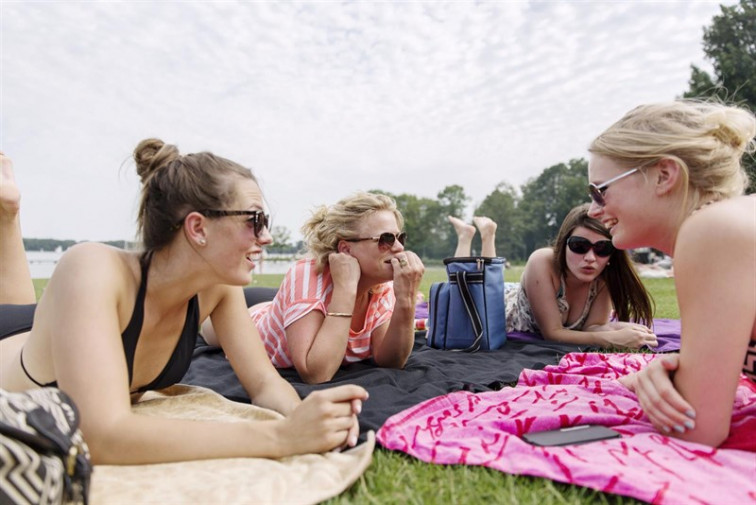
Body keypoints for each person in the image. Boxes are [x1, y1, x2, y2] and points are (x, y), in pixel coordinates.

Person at [0, 143, 367, 465]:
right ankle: (7, 212)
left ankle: (6, 211)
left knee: (28, 309)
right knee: (15, 307)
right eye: (255, 220)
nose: (267, 237)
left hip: (53, 332)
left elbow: (265, 385)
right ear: (197, 228)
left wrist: (304, 418)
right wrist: (281, 438)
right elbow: (102, 436)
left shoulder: (218, 289)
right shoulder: (90, 267)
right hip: (10, 342)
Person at [587, 99, 756, 448]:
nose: (593, 210)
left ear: (664, 175)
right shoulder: (731, 225)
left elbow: (697, 429)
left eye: (600, 191)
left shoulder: (712, 229)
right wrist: (685, 369)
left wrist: (669, 387)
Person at [204, 192, 424, 384]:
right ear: (346, 249)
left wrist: (406, 298)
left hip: (285, 307)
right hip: (253, 322)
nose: (399, 247)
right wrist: (345, 290)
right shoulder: (307, 275)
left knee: (277, 306)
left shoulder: (381, 286)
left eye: (399, 237)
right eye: (385, 239)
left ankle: (277, 306)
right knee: (209, 330)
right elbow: (316, 374)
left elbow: (390, 361)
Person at [447, 207, 657, 349]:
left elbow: (591, 328)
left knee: (490, 281)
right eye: (579, 246)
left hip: (522, 291)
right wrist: (612, 339)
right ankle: (471, 236)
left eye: (603, 248)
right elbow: (553, 334)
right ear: (563, 244)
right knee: (468, 293)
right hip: (504, 306)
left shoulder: (603, 277)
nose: (590, 258)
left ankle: (485, 234)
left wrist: (619, 328)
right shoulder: (542, 261)